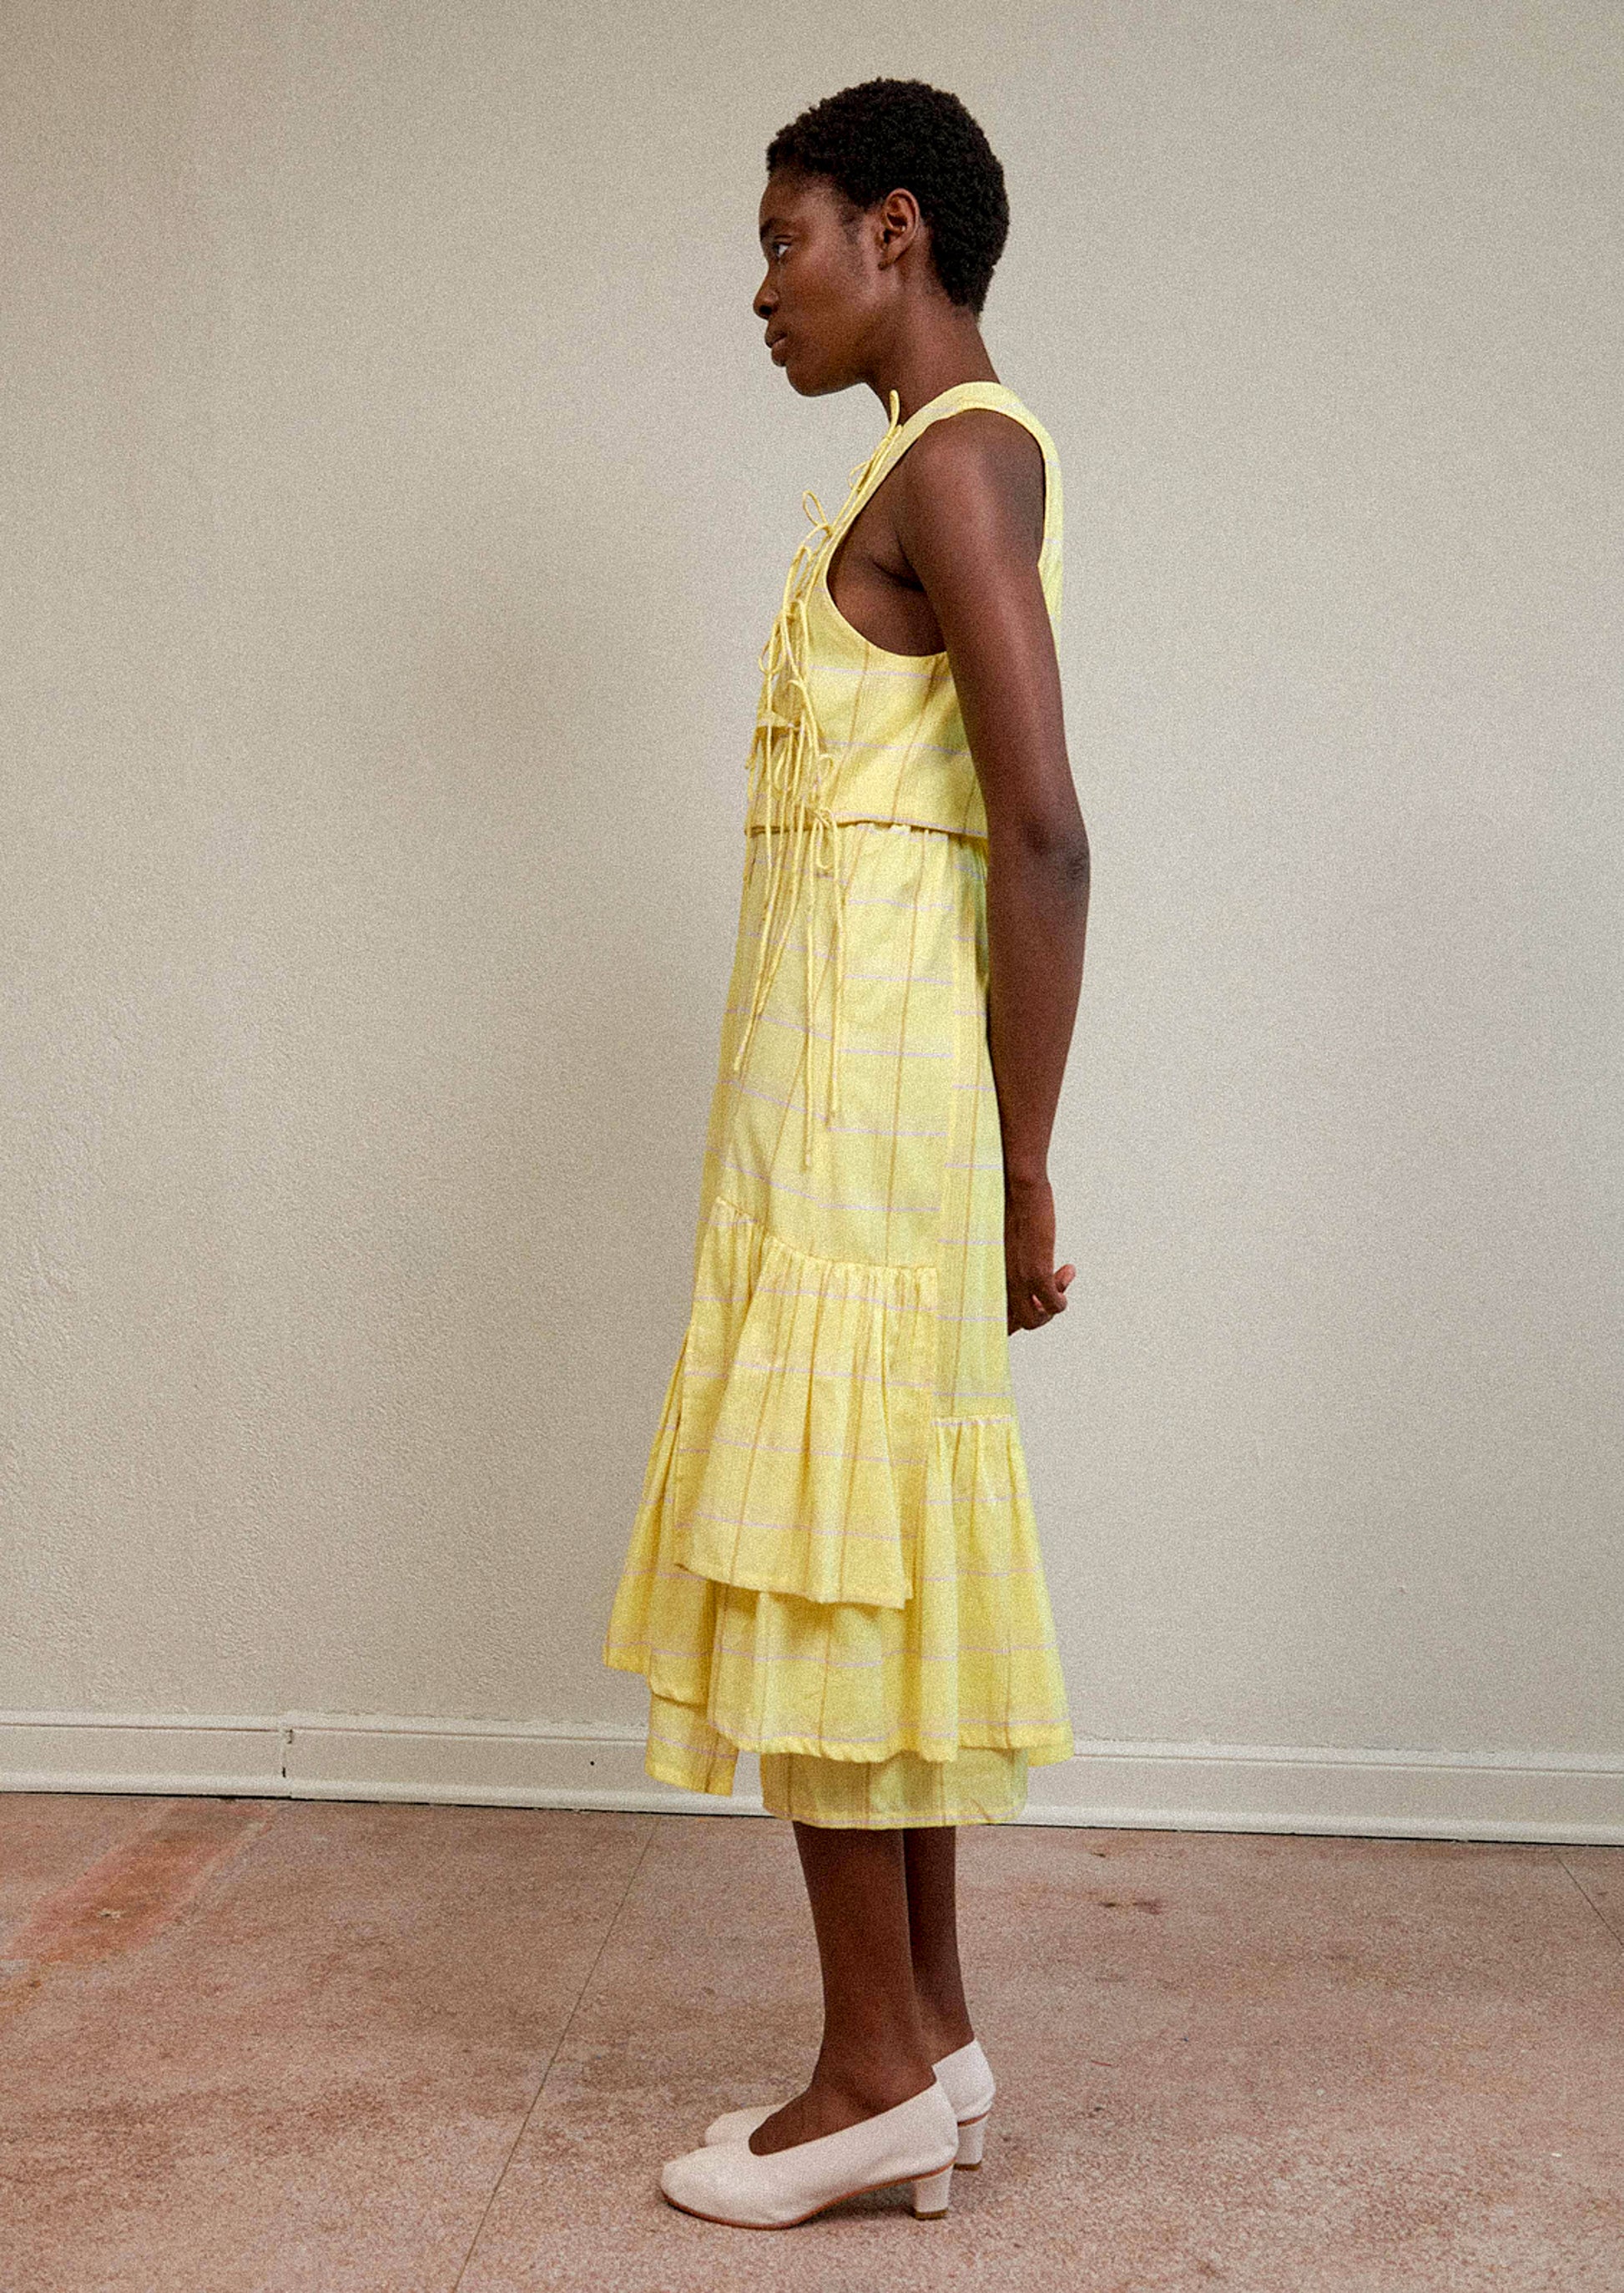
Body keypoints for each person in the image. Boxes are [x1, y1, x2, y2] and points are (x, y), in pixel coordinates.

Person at [602, 75, 1091, 2229]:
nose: (763, 292)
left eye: (782, 242)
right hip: (847, 1090)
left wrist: (1029, 1164)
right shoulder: (918, 465)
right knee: (868, 1539)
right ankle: (936, 2037)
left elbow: (1046, 830)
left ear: (897, 229)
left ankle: (865, 2069)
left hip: (874, 1111)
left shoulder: (962, 458)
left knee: (825, 1546)